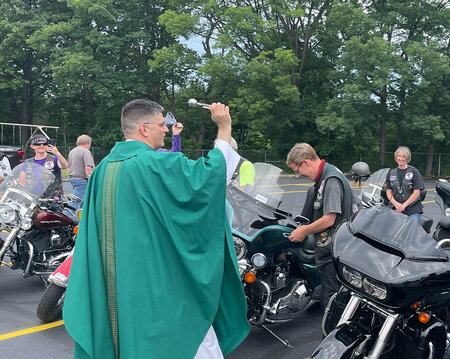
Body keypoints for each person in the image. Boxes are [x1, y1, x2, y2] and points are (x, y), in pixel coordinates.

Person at [63, 99, 250, 359]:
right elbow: (212, 175)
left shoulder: (102, 169)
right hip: (157, 286)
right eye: (162, 125)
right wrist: (224, 126)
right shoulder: (155, 165)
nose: (167, 129)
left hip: (114, 287)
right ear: (143, 128)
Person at [286, 143, 356, 309]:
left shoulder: (330, 181)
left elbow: (329, 220)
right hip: (336, 246)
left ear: (306, 162)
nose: (298, 175)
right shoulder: (328, 174)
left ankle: (332, 332)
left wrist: (304, 231)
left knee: (331, 299)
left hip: (334, 251)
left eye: (297, 170)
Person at [386, 146, 425, 222]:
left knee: (412, 231)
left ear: (407, 158)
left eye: (403, 156)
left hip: (412, 210)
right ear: (396, 157)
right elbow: (389, 191)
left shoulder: (414, 172)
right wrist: (397, 205)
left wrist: (403, 206)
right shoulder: (391, 173)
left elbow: (416, 193)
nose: (401, 159)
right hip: (395, 209)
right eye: (399, 156)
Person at [67, 135, 95, 202]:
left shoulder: (72, 151)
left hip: (73, 178)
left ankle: (82, 212)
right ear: (87, 143)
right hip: (82, 180)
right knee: (75, 202)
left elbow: (69, 167)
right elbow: (88, 168)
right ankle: (68, 213)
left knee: (84, 202)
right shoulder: (86, 152)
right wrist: (91, 180)